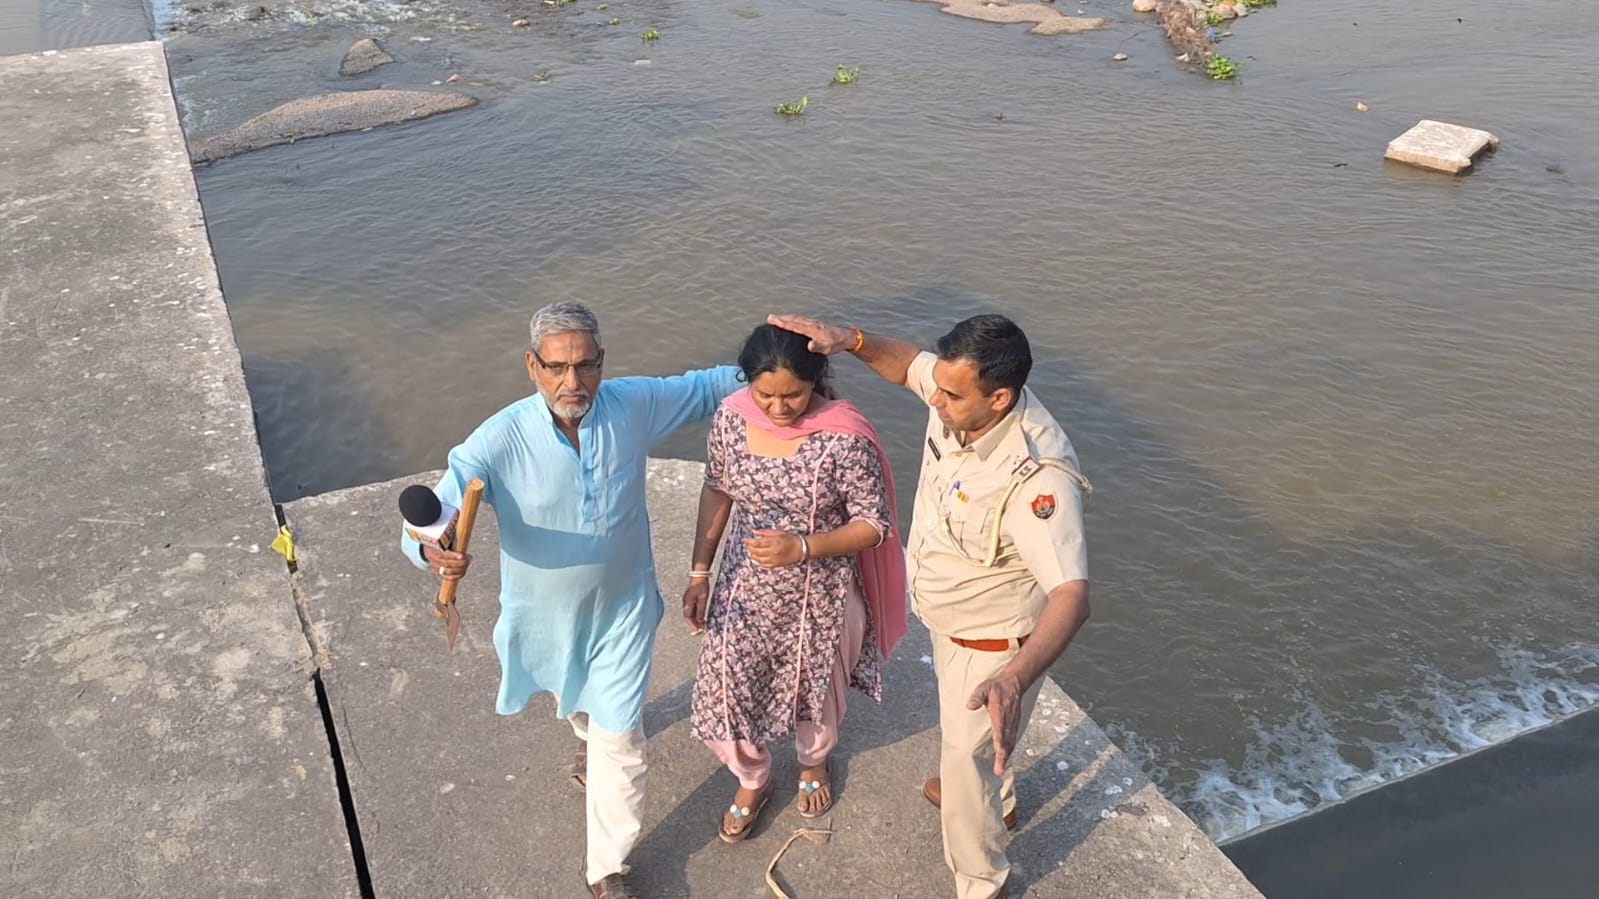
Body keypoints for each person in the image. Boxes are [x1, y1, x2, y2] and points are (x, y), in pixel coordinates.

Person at [400, 302, 741, 899]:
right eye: (556, 367)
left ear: (602, 364)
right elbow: (434, 516)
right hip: (546, 617)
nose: (572, 383)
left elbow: (707, 387)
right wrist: (432, 553)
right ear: (532, 366)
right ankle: (589, 741)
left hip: (625, 608)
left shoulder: (631, 406)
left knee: (620, 737)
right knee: (578, 705)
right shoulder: (498, 438)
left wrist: (784, 357)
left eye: (586, 367)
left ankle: (606, 868)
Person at [767, 312, 1091, 899]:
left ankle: (980, 878)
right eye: (937, 386)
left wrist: (1014, 678)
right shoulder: (961, 396)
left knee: (965, 767)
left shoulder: (1039, 480)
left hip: (992, 651)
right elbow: (909, 367)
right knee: (973, 756)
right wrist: (853, 341)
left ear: (1000, 398)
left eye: (950, 394)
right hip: (949, 622)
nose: (934, 400)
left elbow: (1071, 596)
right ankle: (999, 799)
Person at [682, 324, 906, 843]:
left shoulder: (844, 436)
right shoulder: (732, 420)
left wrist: (802, 547)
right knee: (727, 689)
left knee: (814, 693)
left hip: (820, 593)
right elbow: (717, 489)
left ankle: (812, 765)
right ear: (746, 383)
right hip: (744, 588)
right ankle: (753, 777)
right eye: (765, 394)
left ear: (817, 381)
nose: (779, 408)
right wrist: (700, 572)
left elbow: (874, 525)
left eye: (794, 395)